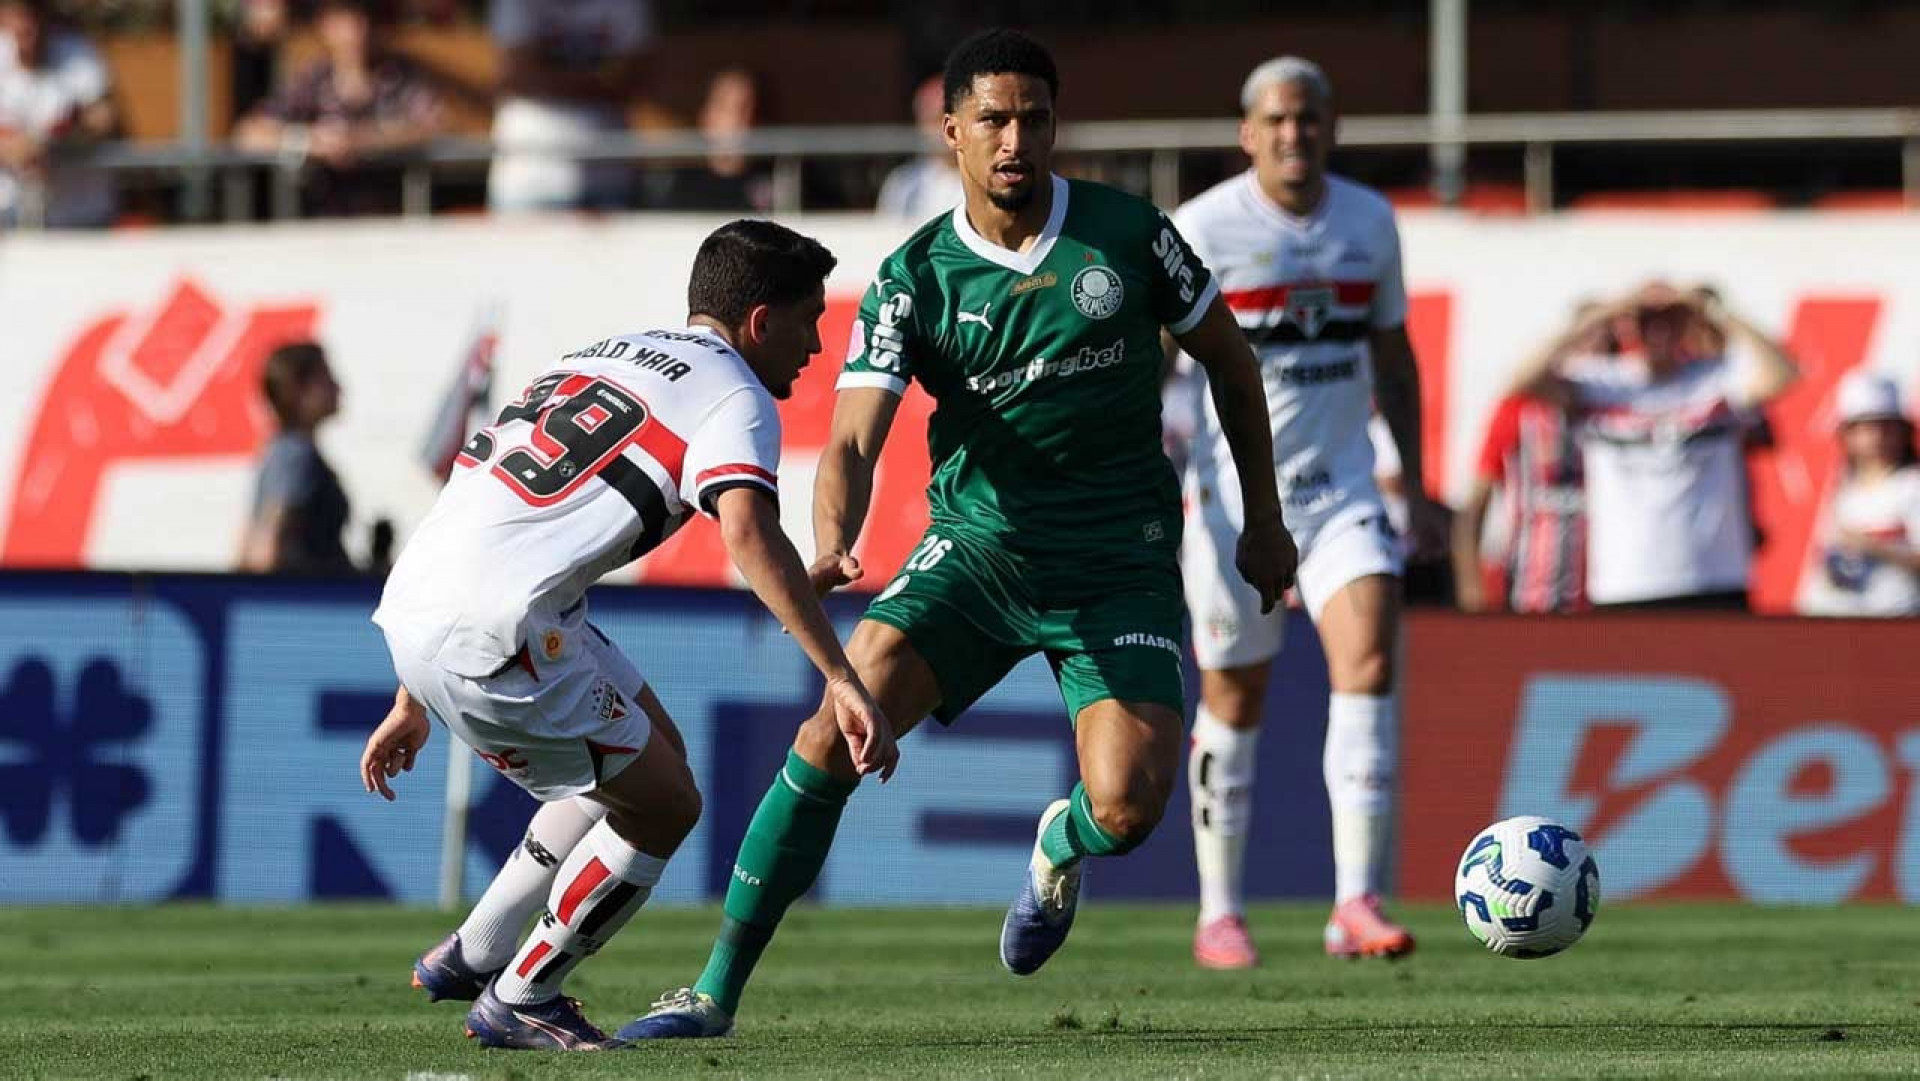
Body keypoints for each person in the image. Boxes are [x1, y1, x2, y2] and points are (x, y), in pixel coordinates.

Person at [621, 28, 1295, 1040]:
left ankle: (1055, 849)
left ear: (1055, 127)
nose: (1014, 139)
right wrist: (836, 535)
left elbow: (1233, 367)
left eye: (1032, 118)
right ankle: (712, 988)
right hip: (978, 553)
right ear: (951, 132)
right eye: (993, 119)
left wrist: (1264, 523)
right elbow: (852, 437)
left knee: (1126, 806)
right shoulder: (916, 277)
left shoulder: (1129, 234)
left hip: (1118, 560)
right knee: (831, 731)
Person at [357, 220, 890, 1051]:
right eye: (808, 319)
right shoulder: (734, 394)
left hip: (424, 603)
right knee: (668, 803)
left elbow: (479, 499)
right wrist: (841, 676)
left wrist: (413, 689)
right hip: (502, 627)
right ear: (758, 323)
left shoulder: (601, 352)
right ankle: (524, 990)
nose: (817, 345)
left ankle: (478, 946)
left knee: (649, 757)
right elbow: (746, 529)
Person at [1172, 56, 1441, 970]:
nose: (1295, 134)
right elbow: (1151, 363)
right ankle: (1219, 911)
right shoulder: (1203, 228)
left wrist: (1420, 476)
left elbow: (1394, 359)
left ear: (1332, 128)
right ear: (1248, 134)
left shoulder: (1369, 221)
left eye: (1311, 119)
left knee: (1368, 659)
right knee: (1234, 694)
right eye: (1277, 121)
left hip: (1343, 493)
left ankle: (1356, 901)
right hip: (1237, 503)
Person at [1510, 281, 1799, 610]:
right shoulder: (1601, 383)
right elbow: (1522, 379)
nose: (1659, 333)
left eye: (1670, 322)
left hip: (1714, 578)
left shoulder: (1716, 378)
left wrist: (1714, 311)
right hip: (1625, 582)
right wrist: (1610, 310)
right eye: (1647, 322)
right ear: (1629, 327)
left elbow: (1784, 372)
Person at [1453, 301, 1612, 614]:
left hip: (1608, 593)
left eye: (1606, 346)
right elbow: (1474, 508)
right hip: (1530, 592)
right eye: (1586, 341)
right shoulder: (1518, 409)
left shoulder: (1622, 414)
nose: (1594, 356)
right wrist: (1471, 587)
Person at [233, 0, 444, 217]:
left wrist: (365, 139)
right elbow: (249, 134)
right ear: (325, 26)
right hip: (322, 223)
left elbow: (431, 124)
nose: (355, 32)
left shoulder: (399, 77)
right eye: (344, 21)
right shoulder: (312, 81)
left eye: (361, 19)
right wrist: (311, 141)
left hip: (389, 222)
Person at [486, 0, 648, 213]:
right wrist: (599, 82)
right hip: (529, 179)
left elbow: (637, 76)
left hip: (608, 176)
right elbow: (517, 75)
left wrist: (547, 79)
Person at [1798, 370, 1920, 616]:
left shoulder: (1912, 485)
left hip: (1901, 619)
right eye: (1865, 428)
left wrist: (1873, 547)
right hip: (1848, 620)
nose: (1876, 437)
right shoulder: (1841, 489)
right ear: (1847, 434)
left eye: (1886, 427)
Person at [240, 341, 357, 575]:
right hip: (306, 605)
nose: (338, 388)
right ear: (298, 390)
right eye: (326, 378)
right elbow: (265, 547)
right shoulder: (294, 454)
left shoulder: (286, 451)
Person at [0, 0, 117, 229]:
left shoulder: (77, 54)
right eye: (15, 14)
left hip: (74, 214)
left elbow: (103, 118)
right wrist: (10, 147)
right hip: (7, 211)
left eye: (31, 14)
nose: (25, 26)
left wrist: (54, 138)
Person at [643, 66, 771, 212]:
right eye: (726, 107)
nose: (738, 118)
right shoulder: (680, 187)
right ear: (706, 116)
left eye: (747, 107)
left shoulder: (781, 182)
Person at [874, 73, 963, 222]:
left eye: (950, 119)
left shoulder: (983, 183)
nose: (944, 129)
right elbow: (886, 236)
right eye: (934, 120)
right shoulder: (903, 183)